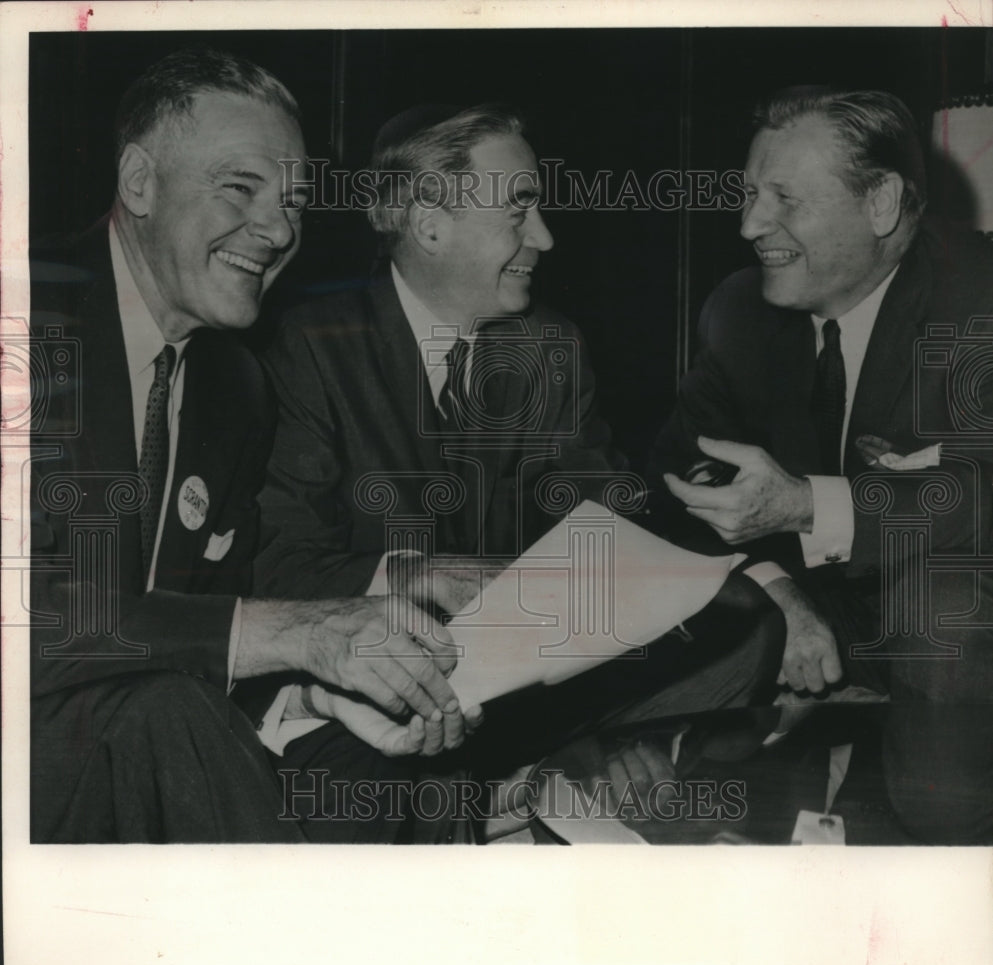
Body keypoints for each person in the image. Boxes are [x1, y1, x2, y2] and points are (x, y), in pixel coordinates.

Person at [250, 104, 783, 799]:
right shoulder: (307, 346)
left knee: (745, 618)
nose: (545, 237)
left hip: (520, 673)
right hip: (375, 686)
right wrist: (413, 573)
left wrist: (735, 567)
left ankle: (573, 769)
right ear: (429, 221)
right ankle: (533, 785)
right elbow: (272, 564)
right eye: (519, 210)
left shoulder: (547, 347)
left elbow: (610, 510)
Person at [29, 49, 465, 843]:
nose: (277, 229)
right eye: (241, 188)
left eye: (294, 201)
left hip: (140, 741)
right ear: (139, 183)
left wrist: (306, 695)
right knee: (166, 710)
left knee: (380, 757)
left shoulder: (235, 386)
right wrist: (290, 634)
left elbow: (192, 630)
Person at [651, 86, 993, 843]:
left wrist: (807, 508)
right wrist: (775, 590)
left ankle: (951, 871)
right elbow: (681, 467)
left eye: (783, 200)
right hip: (825, 602)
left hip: (955, 606)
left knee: (941, 612)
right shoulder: (742, 309)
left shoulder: (981, 300)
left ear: (879, 205)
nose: (749, 226)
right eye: (747, 195)